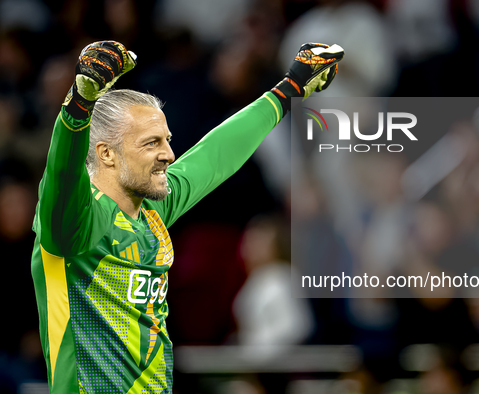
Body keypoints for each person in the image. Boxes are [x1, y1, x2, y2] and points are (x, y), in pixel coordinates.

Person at [30, 40, 344, 393]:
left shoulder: (152, 208)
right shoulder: (72, 225)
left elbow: (215, 154)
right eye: (151, 143)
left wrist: (289, 90)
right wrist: (79, 105)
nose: (168, 154)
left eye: (166, 140)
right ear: (106, 154)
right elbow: (62, 177)